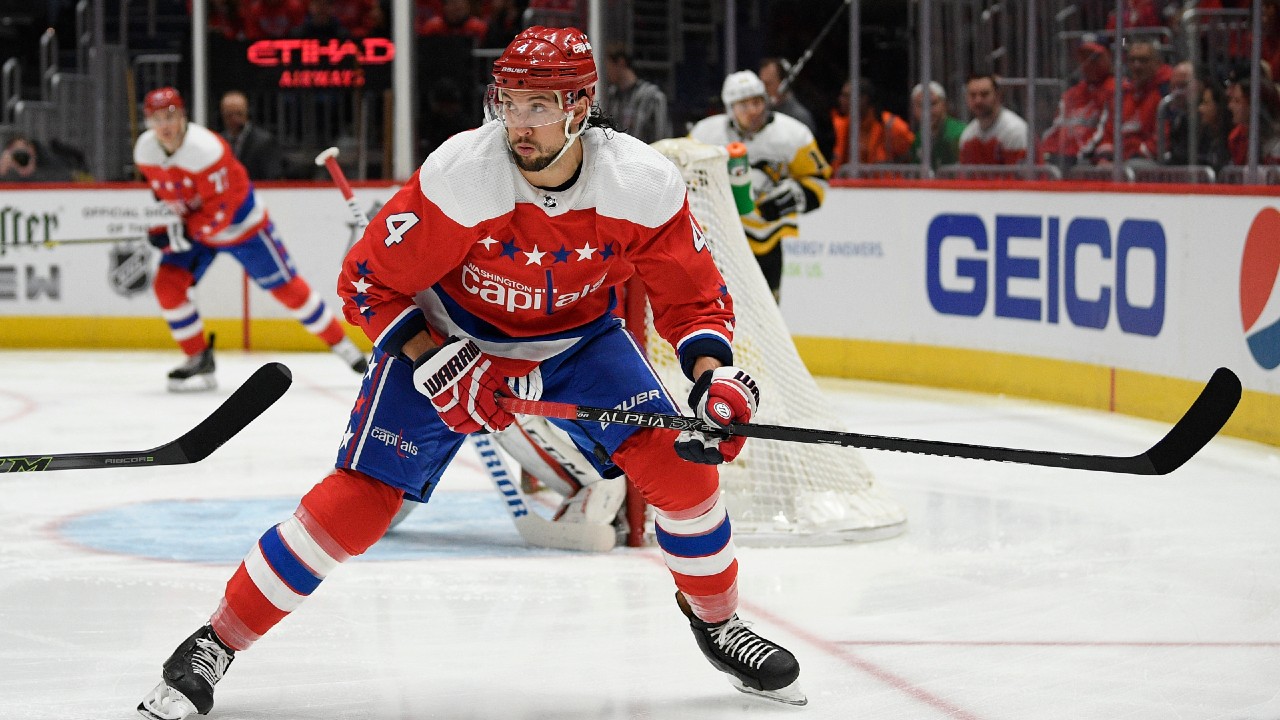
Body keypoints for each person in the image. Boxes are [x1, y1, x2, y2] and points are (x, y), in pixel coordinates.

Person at [135, 27, 805, 720]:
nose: (518, 123)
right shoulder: (462, 175)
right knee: (359, 501)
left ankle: (719, 624)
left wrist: (713, 378)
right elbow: (365, 283)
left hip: (578, 342)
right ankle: (215, 641)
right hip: (449, 333)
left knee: (684, 471)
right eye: (508, 102)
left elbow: (692, 298)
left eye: (538, 106)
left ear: (580, 106)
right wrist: (435, 358)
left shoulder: (640, 182)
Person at [132, 87, 367, 392]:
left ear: (183, 116)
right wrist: (168, 227)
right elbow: (167, 194)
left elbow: (222, 212)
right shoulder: (145, 151)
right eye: (157, 118)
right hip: (198, 229)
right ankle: (198, 357)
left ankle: (343, 345)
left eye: (170, 116)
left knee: (288, 290)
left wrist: (182, 233)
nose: (164, 125)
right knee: (167, 285)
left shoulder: (206, 150)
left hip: (243, 226)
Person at [689, 70, 830, 302]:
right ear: (730, 108)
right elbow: (686, 178)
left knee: (766, 307)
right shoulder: (705, 135)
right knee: (718, 305)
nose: (753, 110)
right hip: (719, 238)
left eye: (757, 102)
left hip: (767, 238)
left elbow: (818, 181)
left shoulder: (792, 135)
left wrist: (789, 200)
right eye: (744, 105)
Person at [1080, 39, 1171, 167]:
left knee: (1134, 165)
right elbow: (1108, 133)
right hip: (1119, 161)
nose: (1137, 66)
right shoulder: (1122, 94)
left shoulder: (1164, 92)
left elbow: (1162, 138)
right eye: (1132, 60)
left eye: (1143, 60)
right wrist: (1105, 156)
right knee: (1085, 167)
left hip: (1147, 162)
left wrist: (1133, 156)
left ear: (1157, 63)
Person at [1040, 40, 1115, 168]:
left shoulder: (1116, 90)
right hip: (1060, 156)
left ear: (1109, 57)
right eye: (1084, 57)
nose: (1088, 62)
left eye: (1094, 57)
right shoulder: (1071, 93)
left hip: (1084, 158)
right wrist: (1042, 150)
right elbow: (1056, 128)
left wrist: (1080, 154)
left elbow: (1106, 133)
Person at [602, 42, 672, 143]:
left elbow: (661, 140)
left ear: (621, 63)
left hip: (645, 152)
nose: (605, 71)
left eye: (607, 66)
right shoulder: (611, 97)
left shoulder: (652, 97)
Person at [958, 73, 1029, 165]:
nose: (978, 100)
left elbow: (1021, 174)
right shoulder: (967, 136)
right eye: (973, 95)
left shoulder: (1015, 131)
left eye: (984, 94)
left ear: (998, 96)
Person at [218, 90, 284, 181]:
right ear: (222, 114)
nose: (234, 119)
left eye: (239, 114)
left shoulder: (264, 142)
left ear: (246, 112)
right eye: (229, 115)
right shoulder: (219, 142)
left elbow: (272, 177)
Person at [906, 81, 964, 168]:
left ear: (944, 105)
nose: (927, 111)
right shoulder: (918, 139)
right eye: (920, 105)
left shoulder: (960, 134)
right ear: (913, 109)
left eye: (932, 104)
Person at [0, 134, 73, 182]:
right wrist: (3, 171)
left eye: (24, 148)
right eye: (17, 153)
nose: (21, 156)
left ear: (32, 149)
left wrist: (31, 171)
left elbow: (67, 177)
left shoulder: (51, 167)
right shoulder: (7, 173)